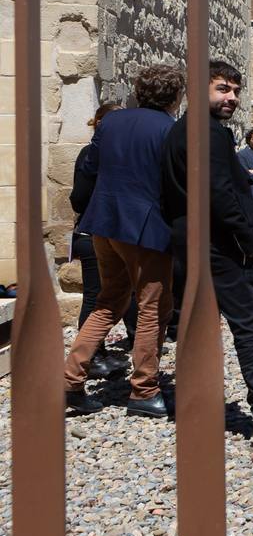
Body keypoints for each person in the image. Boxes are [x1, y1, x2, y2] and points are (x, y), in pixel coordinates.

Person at [161, 62, 253, 445]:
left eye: (236, 91)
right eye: (223, 89)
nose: (232, 98)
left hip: (191, 246)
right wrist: (247, 239)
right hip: (221, 249)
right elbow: (220, 194)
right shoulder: (208, 134)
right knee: (248, 328)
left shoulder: (181, 131)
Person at [64, 66, 184, 418]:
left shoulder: (112, 123)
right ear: (176, 96)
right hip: (146, 230)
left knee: (108, 302)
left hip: (104, 223)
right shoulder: (171, 130)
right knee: (153, 308)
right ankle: (144, 389)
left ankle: (70, 379)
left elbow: (89, 168)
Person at [69, 101, 138, 377]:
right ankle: (92, 357)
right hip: (94, 232)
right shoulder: (91, 154)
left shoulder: (109, 154)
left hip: (106, 231)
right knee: (95, 297)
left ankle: (100, 351)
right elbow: (78, 198)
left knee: (115, 293)